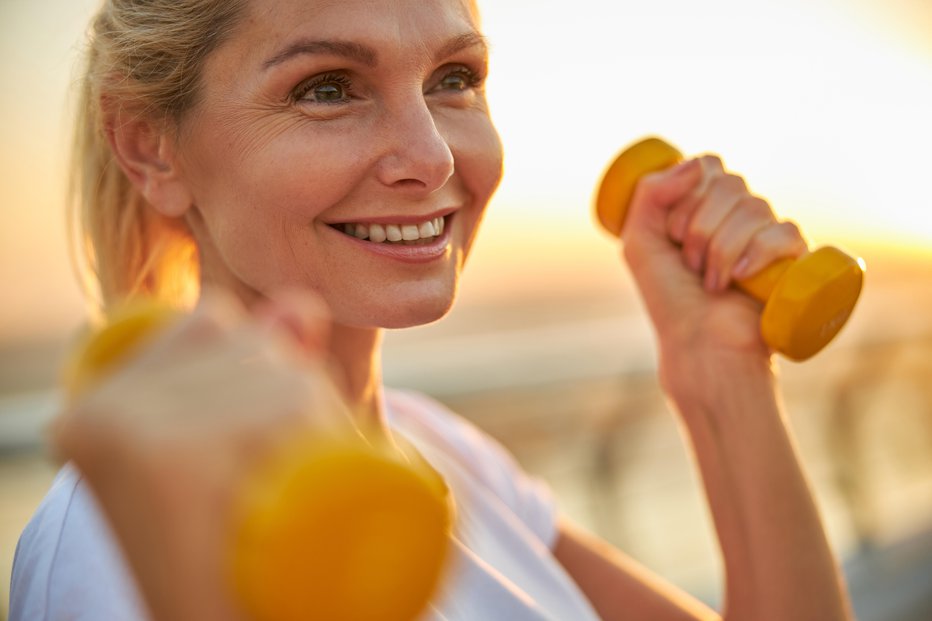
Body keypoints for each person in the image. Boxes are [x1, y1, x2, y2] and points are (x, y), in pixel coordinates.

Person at [10, 0, 853, 619]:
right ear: (149, 145)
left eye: (455, 80)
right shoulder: (123, 545)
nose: (431, 154)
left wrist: (723, 373)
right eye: (327, 88)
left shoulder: (450, 452)